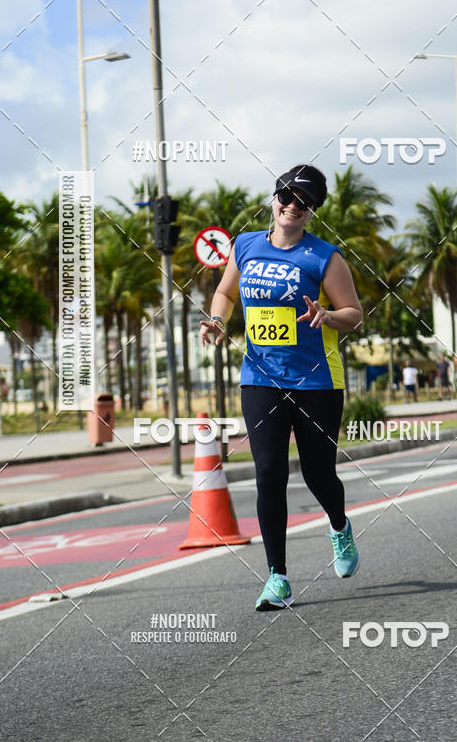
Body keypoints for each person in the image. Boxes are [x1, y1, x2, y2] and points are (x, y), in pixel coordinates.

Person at [200, 164, 364, 609]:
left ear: (313, 211)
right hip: (260, 378)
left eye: (304, 201)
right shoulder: (247, 245)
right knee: (268, 473)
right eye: (286, 197)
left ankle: (339, 527)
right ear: (274, 200)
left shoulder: (324, 258)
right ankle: (277, 576)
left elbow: (354, 313)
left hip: (317, 382)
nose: (292, 206)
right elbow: (226, 294)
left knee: (317, 472)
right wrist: (217, 321)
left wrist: (328, 316)